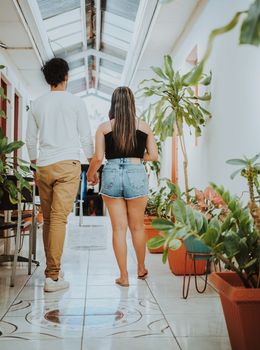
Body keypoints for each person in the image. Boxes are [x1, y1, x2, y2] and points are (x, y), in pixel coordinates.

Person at [26, 58, 94, 292]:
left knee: (49, 218)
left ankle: (52, 270)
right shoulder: (76, 103)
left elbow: (30, 139)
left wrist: (35, 165)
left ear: (48, 79)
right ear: (67, 76)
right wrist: (93, 162)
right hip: (67, 165)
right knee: (58, 219)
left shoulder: (37, 104)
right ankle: (52, 276)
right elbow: (85, 136)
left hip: (44, 166)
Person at [87, 86, 158, 287]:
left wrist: (91, 174)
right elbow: (153, 156)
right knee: (137, 226)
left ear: (113, 104)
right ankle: (141, 268)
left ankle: (124, 276)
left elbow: (99, 157)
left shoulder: (103, 127)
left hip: (111, 174)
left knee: (118, 229)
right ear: (131, 104)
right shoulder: (144, 126)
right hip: (136, 173)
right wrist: (136, 157)